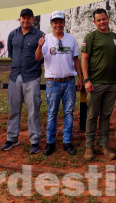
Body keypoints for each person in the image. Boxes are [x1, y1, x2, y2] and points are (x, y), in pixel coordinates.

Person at [35, 11, 83, 156]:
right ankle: (50, 143)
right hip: (52, 82)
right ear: (51, 24)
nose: (58, 25)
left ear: (64, 23)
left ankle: (67, 142)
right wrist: (39, 46)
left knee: (68, 112)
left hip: (69, 82)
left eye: (60, 22)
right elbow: (37, 58)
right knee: (52, 113)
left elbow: (76, 59)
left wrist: (80, 78)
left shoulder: (70, 39)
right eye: (55, 22)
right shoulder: (45, 39)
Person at [2, 8, 44, 155]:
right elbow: (12, 55)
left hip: (32, 77)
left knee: (33, 111)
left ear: (33, 20)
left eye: (29, 18)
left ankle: (34, 141)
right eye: (23, 18)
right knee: (13, 110)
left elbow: (41, 57)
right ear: (19, 19)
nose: (26, 20)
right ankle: (12, 138)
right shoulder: (13, 34)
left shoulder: (39, 35)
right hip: (15, 77)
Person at [81, 8, 116, 161]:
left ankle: (104, 145)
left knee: (106, 116)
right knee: (91, 116)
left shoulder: (114, 37)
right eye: (99, 20)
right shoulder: (91, 37)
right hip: (95, 84)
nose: (102, 22)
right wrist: (86, 80)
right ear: (94, 22)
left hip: (111, 84)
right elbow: (84, 59)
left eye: (104, 19)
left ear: (108, 18)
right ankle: (89, 146)